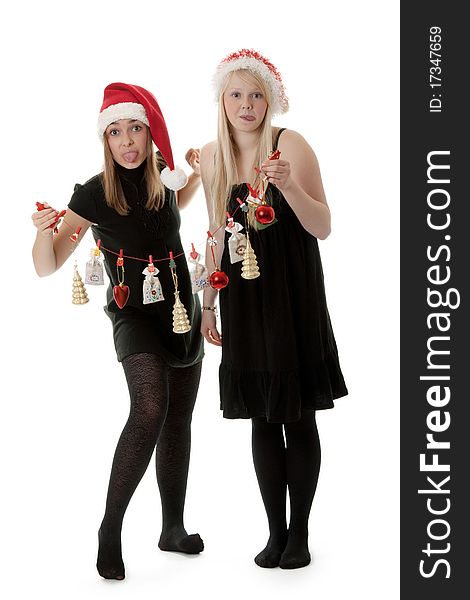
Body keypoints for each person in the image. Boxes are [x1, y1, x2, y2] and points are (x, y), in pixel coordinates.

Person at [32, 82, 204, 580]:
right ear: (104, 140)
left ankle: (172, 527)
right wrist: (46, 232)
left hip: (180, 308)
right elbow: (49, 265)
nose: (127, 141)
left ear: (151, 135)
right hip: (133, 315)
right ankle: (111, 527)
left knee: (177, 421)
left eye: (136, 129)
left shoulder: (162, 179)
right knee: (149, 408)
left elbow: (177, 205)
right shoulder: (92, 193)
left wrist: (193, 173)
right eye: (115, 132)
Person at [200, 50, 348, 570]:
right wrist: (207, 305)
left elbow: (323, 226)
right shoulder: (213, 156)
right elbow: (217, 237)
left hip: (294, 295)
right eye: (237, 94)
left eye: (257, 94)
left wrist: (287, 186)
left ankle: (301, 534)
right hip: (243, 298)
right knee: (261, 417)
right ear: (222, 98)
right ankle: (275, 532)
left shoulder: (291, 145)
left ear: (271, 100)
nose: (247, 105)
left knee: (298, 415)